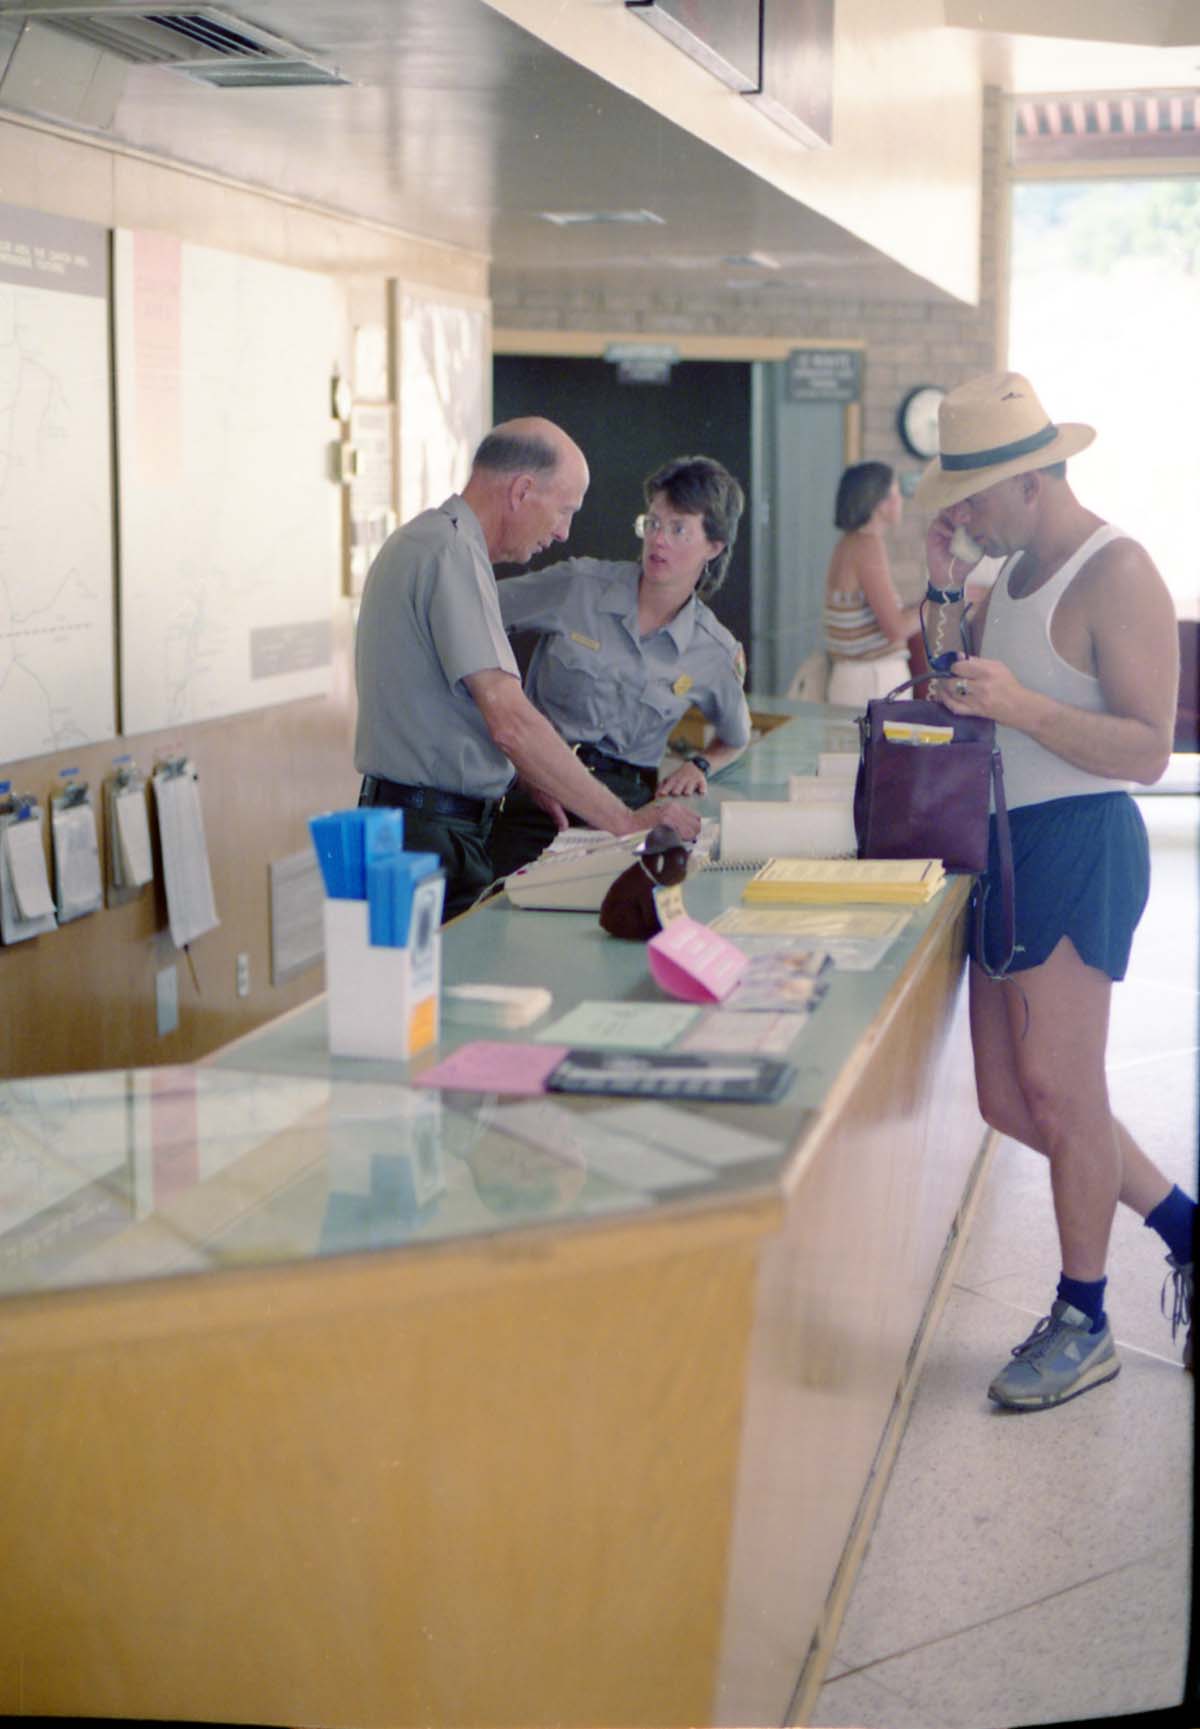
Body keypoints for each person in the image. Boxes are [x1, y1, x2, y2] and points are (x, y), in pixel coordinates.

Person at [914, 369, 1194, 1410]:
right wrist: (943, 580)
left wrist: (1028, 708)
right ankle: (1182, 1226)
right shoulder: (1005, 574)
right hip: (1001, 843)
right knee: (1006, 1095)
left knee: (1066, 1093)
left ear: (1032, 478)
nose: (965, 511)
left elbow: (1149, 749)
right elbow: (950, 694)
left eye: (975, 495)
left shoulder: (1116, 570)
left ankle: (1087, 1318)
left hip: (1079, 841)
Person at [353, 418, 700, 920]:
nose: (563, 533)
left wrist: (531, 776)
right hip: (426, 837)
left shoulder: (436, 543)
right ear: (522, 491)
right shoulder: (448, 553)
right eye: (564, 511)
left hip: (430, 826)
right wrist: (623, 821)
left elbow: (448, 705)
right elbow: (510, 719)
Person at [488, 454, 752, 879]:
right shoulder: (578, 587)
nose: (659, 540)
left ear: (714, 546)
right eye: (653, 523)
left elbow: (735, 738)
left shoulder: (715, 652)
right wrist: (518, 757)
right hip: (541, 795)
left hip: (628, 809)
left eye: (679, 528)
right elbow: (473, 616)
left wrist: (698, 766)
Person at [823, 460, 921, 706]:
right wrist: (938, 600)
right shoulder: (867, 545)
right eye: (895, 493)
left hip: (852, 679)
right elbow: (896, 629)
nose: (900, 501)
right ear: (878, 502)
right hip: (873, 680)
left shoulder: (847, 543)